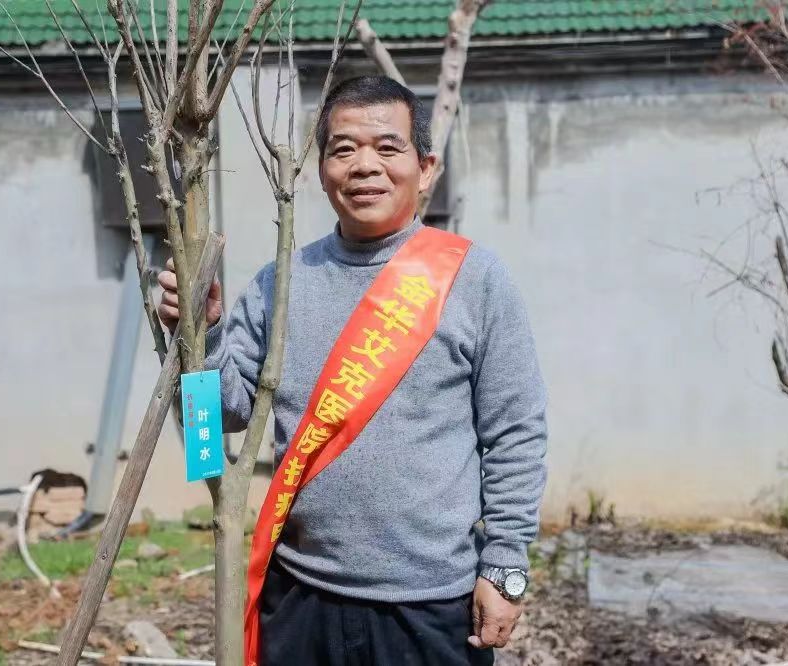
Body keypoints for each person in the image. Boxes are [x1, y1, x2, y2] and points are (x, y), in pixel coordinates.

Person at [158, 75, 547, 666]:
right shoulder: (279, 283)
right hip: (299, 596)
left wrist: (505, 564)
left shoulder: (475, 279)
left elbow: (516, 432)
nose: (365, 166)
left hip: (431, 605)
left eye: (387, 148)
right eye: (343, 149)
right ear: (321, 170)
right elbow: (218, 421)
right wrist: (199, 333)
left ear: (426, 167)